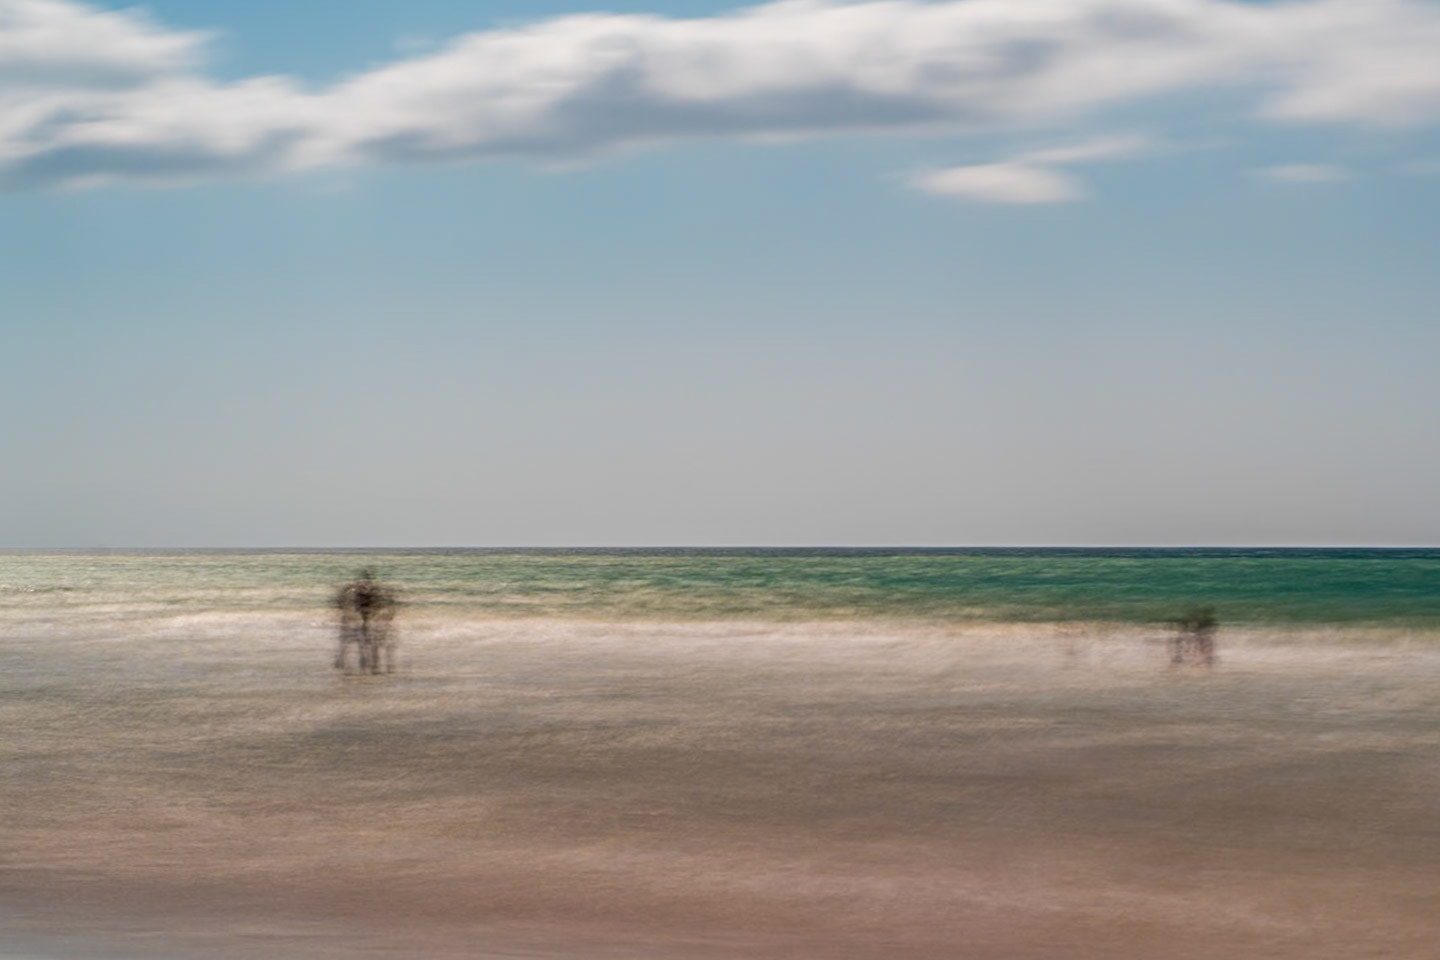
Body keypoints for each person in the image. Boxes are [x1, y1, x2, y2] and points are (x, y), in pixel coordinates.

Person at [335, 569, 398, 674]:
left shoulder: (361, 589)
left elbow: (343, 598)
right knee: (371, 643)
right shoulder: (367, 589)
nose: (366, 586)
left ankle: (373, 666)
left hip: (367, 617)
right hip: (367, 617)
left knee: (367, 643)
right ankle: (376, 667)